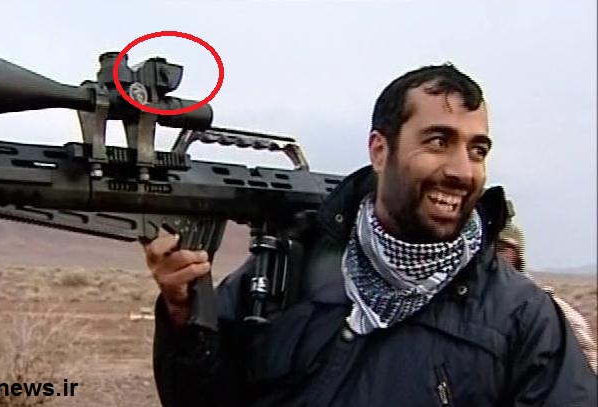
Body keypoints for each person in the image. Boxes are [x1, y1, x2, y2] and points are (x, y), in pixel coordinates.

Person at [143, 64, 597, 406]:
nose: (462, 170)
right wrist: (184, 318)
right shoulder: (284, 271)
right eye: (438, 141)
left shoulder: (522, 318)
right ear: (380, 150)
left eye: (477, 150)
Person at [497, 199, 597, 373]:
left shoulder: (551, 312)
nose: (494, 258)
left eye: (501, 249)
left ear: (517, 256)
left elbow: (588, 371)